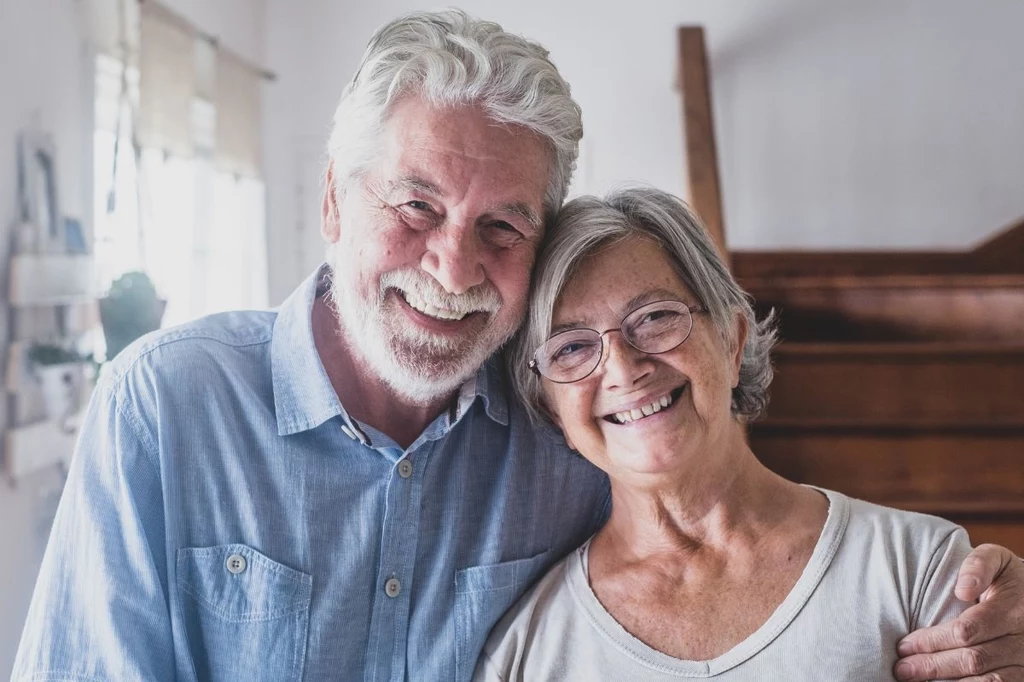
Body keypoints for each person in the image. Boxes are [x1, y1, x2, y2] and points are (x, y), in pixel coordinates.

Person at [12, 10, 1024, 682]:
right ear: (330, 198)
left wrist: (992, 613)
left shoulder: (567, 426)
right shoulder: (169, 405)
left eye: (502, 227)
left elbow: (736, 529)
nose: (452, 267)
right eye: (414, 205)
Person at [475, 187, 1023, 681]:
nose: (621, 367)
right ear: (551, 411)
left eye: (655, 318)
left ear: (733, 343)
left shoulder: (916, 568)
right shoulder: (527, 652)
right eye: (571, 347)